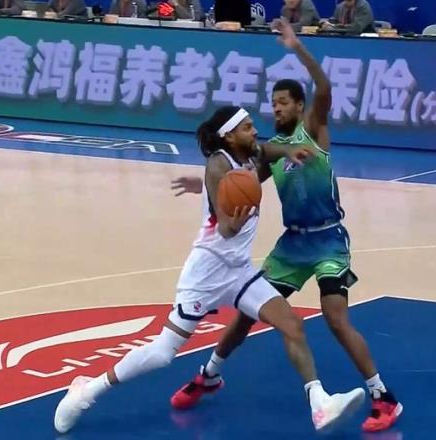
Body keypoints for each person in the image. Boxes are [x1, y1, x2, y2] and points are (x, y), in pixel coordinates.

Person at [53, 105, 366, 435]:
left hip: (239, 271)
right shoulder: (218, 165)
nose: (254, 131)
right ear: (228, 136)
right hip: (206, 273)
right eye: (246, 127)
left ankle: (320, 404)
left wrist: (289, 150)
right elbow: (226, 229)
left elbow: (267, 150)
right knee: (162, 353)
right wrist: (236, 220)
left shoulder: (249, 152)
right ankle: (87, 390)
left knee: (292, 324)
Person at [170, 18, 403, 434]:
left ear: (299, 106)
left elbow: (325, 87)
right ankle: (209, 374)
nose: (276, 108)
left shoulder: (313, 131)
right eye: (273, 103)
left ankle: (383, 396)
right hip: (293, 245)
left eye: (283, 102)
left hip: (328, 240)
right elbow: (239, 184)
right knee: (247, 311)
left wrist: (297, 46)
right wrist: (205, 185)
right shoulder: (270, 153)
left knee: (335, 317)